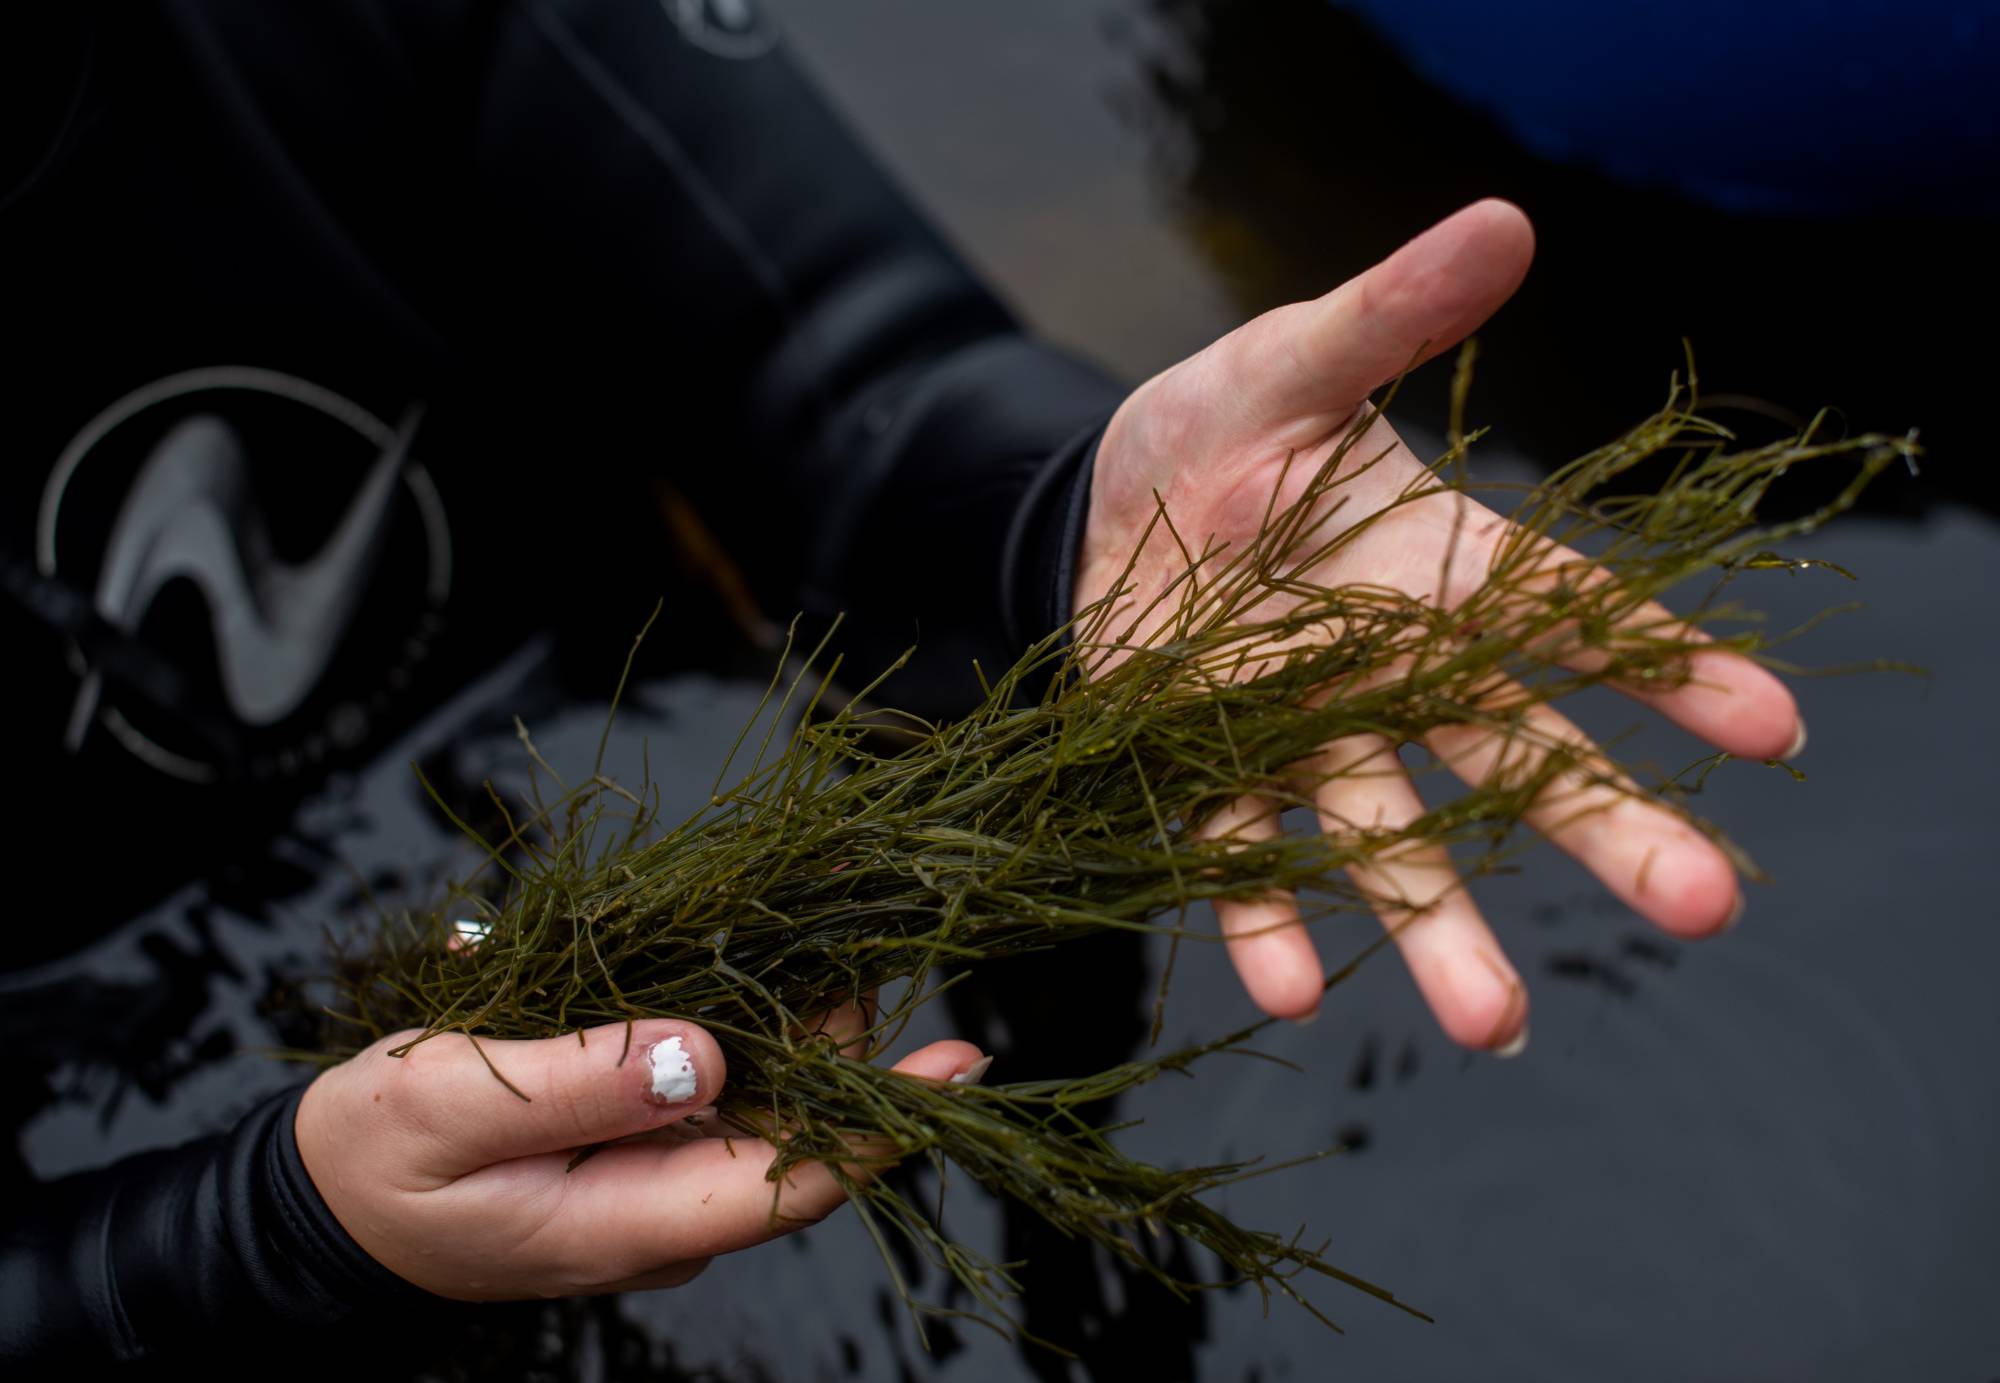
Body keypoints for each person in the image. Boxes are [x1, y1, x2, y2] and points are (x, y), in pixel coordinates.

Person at [0, 0, 1802, 1366]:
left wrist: (1066, 512)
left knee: (1033, 912)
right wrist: (272, 1225)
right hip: (103, 1110)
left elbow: (833, 359)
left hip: (612, 743)